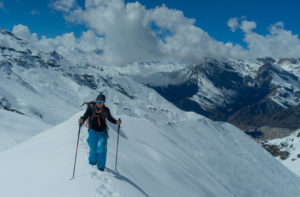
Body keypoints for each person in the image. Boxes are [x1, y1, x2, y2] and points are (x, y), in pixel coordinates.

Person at [78, 93, 121, 171]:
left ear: (104, 102)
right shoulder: (91, 108)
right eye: (98, 100)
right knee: (93, 150)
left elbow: (110, 118)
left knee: (103, 148)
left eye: (101, 101)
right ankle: (92, 163)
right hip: (92, 131)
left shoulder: (106, 110)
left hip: (102, 131)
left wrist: (116, 122)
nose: (99, 103)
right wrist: (81, 120)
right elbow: (85, 116)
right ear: (96, 100)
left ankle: (101, 168)